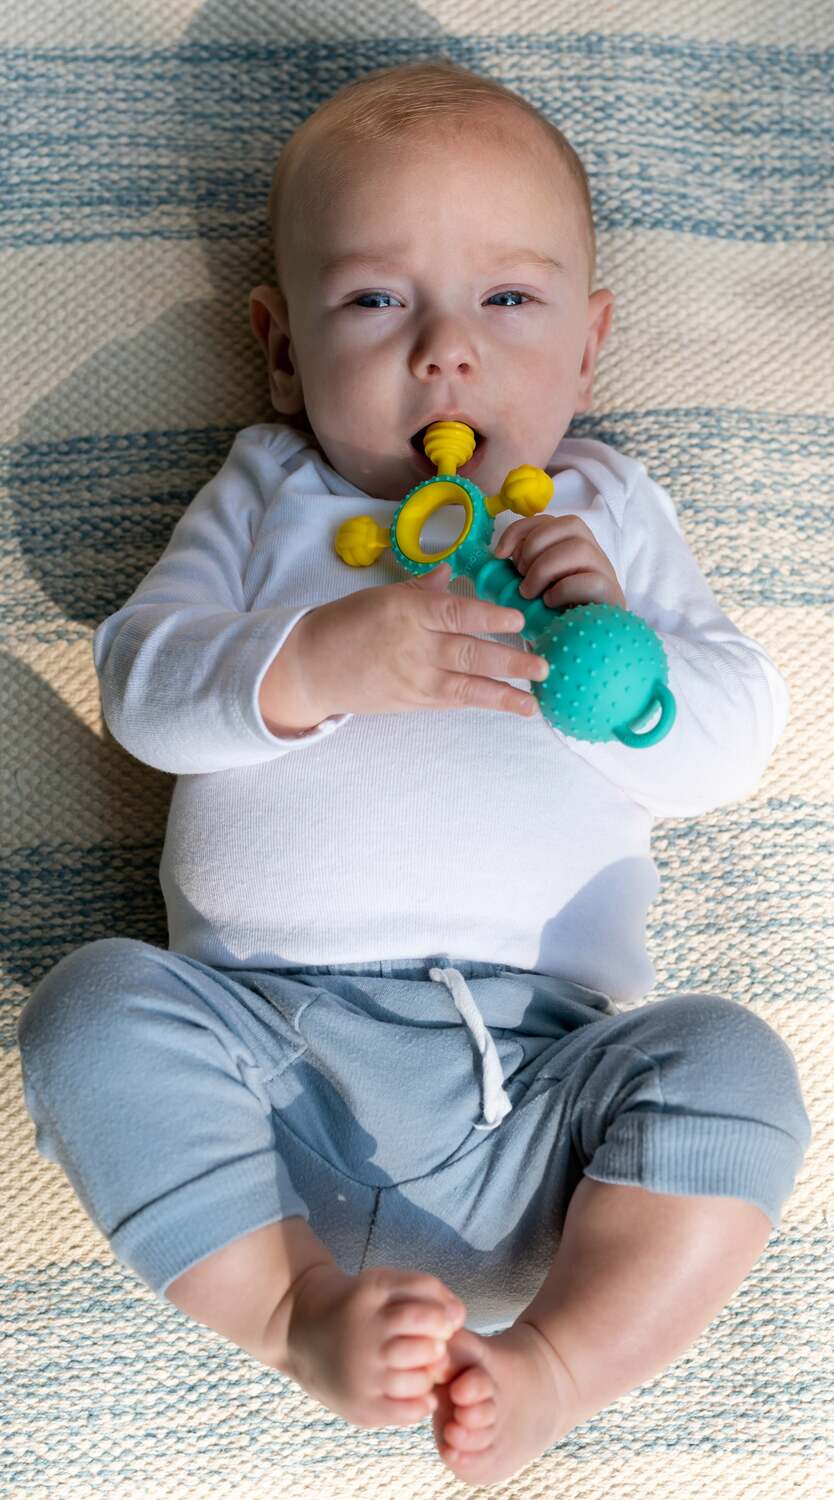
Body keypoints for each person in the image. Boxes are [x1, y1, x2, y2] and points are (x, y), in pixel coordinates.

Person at [16, 59, 811, 1488]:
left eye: (508, 302)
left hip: (553, 1102)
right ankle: (290, 1310)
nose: (444, 355)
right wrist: (311, 667)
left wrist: (625, 678)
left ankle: (558, 1362)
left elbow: (737, 738)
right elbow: (143, 682)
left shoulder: (607, 511)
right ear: (278, 348)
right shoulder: (269, 495)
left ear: (589, 348)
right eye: (376, 301)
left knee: (733, 1068)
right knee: (90, 1008)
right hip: (258, 1088)